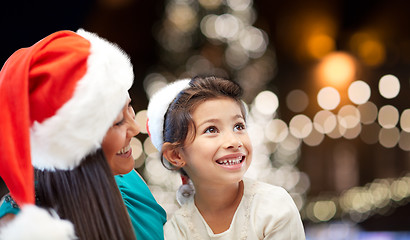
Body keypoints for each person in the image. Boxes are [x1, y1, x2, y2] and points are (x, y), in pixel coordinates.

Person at [0, 29, 165, 239]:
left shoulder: (130, 183)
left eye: (129, 107)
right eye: (117, 122)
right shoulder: (22, 229)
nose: (135, 128)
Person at [146, 76, 306, 239]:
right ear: (176, 155)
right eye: (211, 129)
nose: (234, 142)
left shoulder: (273, 207)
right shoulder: (175, 232)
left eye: (238, 126)